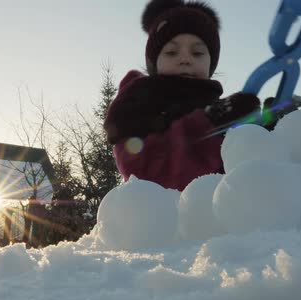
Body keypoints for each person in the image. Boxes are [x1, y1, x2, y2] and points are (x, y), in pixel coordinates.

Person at [103, 0, 263, 191]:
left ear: (211, 63)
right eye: (171, 52)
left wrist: (268, 127)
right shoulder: (136, 105)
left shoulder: (217, 108)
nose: (185, 59)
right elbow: (144, 174)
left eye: (197, 53)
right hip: (163, 218)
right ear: (154, 63)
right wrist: (210, 124)